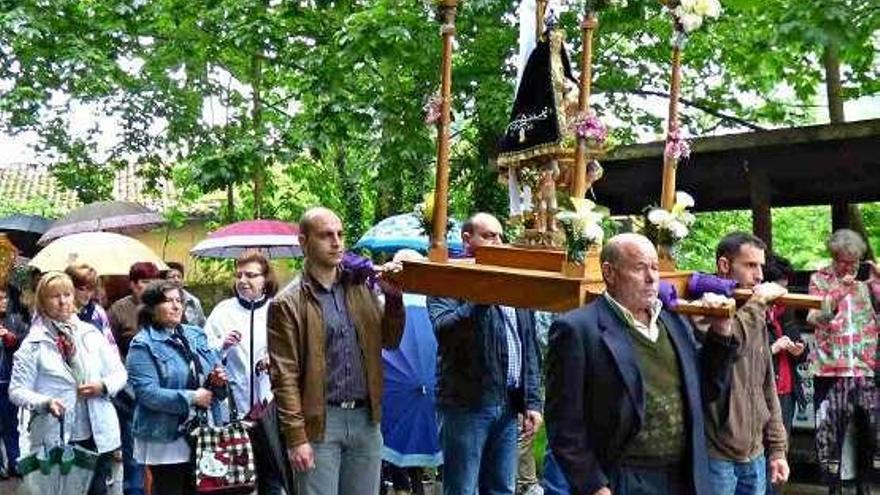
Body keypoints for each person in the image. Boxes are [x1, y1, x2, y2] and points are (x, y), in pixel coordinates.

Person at [545, 233, 742, 495]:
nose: (651, 278)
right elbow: (564, 423)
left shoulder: (673, 322)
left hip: (684, 477)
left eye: (655, 268)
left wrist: (720, 332)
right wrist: (594, 485)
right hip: (623, 479)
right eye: (639, 268)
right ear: (609, 273)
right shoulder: (578, 329)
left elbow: (706, 391)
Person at [268, 206, 405, 495]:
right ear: (304, 242)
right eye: (326, 235)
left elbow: (390, 341)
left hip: (366, 420)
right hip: (319, 424)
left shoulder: (361, 287)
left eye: (340, 234)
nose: (336, 242)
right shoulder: (287, 303)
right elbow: (284, 377)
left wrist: (394, 300)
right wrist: (295, 437)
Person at [427, 212, 544, 495]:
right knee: (463, 489)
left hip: (507, 405)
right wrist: (480, 299)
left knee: (502, 488)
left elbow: (527, 343)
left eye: (500, 236)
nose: (498, 242)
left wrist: (532, 401)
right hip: (466, 405)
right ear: (468, 239)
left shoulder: (514, 282)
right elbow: (445, 331)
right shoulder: (447, 278)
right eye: (489, 235)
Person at [9, 271, 127, 495]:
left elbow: (119, 373)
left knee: (97, 490)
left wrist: (102, 386)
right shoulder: (33, 344)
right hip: (57, 436)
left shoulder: (90, 333)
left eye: (67, 294)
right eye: (54, 296)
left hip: (97, 433)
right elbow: (16, 391)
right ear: (42, 302)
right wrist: (46, 402)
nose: (63, 301)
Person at [704, 232, 789, 495]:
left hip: (755, 454)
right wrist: (759, 302)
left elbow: (767, 386)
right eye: (751, 265)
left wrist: (777, 449)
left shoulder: (754, 311)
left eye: (761, 266)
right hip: (717, 457)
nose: (760, 275)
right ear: (724, 266)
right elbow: (729, 344)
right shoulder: (704, 306)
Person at [125, 280, 229, 495]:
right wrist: (192, 397)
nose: (176, 306)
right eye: (168, 301)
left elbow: (210, 374)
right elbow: (147, 393)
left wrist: (217, 382)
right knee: (170, 488)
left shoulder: (195, 334)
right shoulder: (143, 344)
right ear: (152, 308)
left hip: (203, 430)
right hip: (166, 434)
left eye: (179, 300)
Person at [806, 229, 880, 495]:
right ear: (834, 257)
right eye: (844, 261)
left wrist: (878, 284)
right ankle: (833, 488)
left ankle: (866, 485)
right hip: (830, 369)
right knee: (829, 433)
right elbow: (813, 318)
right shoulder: (820, 279)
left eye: (855, 262)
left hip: (864, 369)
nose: (850, 267)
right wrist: (838, 292)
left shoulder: (867, 283)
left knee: (869, 432)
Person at [204, 250, 283, 494]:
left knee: (272, 477)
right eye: (239, 274)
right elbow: (204, 355)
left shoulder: (277, 309)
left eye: (251, 275)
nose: (243, 280)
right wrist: (222, 346)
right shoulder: (222, 311)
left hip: (269, 410)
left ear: (265, 279)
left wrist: (275, 359)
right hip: (233, 410)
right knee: (237, 481)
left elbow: (294, 354)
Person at [109, 261, 160, 495]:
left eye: (152, 282)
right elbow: (110, 349)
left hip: (160, 386)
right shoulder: (118, 310)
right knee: (134, 453)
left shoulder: (163, 307)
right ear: (132, 284)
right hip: (129, 390)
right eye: (144, 283)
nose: (148, 287)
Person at [764, 255, 808, 441]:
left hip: (786, 390)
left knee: (781, 449)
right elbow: (743, 357)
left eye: (785, 288)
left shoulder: (785, 310)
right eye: (778, 289)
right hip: (762, 392)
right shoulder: (751, 312)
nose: (783, 294)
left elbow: (801, 350)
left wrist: (799, 350)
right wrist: (774, 347)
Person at [0, 286, 27, 478]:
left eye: (4, 298)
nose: (3, 301)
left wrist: (13, 339)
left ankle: (15, 461)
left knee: (11, 423)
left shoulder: (15, 320)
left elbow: (26, 341)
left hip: (9, 380)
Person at [66, 263, 118, 351]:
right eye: (82, 289)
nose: (87, 294)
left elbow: (110, 344)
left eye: (90, 289)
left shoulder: (98, 312)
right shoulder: (62, 313)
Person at [164, 262, 206, 328]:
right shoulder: (159, 301)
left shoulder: (193, 302)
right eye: (172, 277)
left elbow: (202, 325)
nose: (176, 280)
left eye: (179, 277)